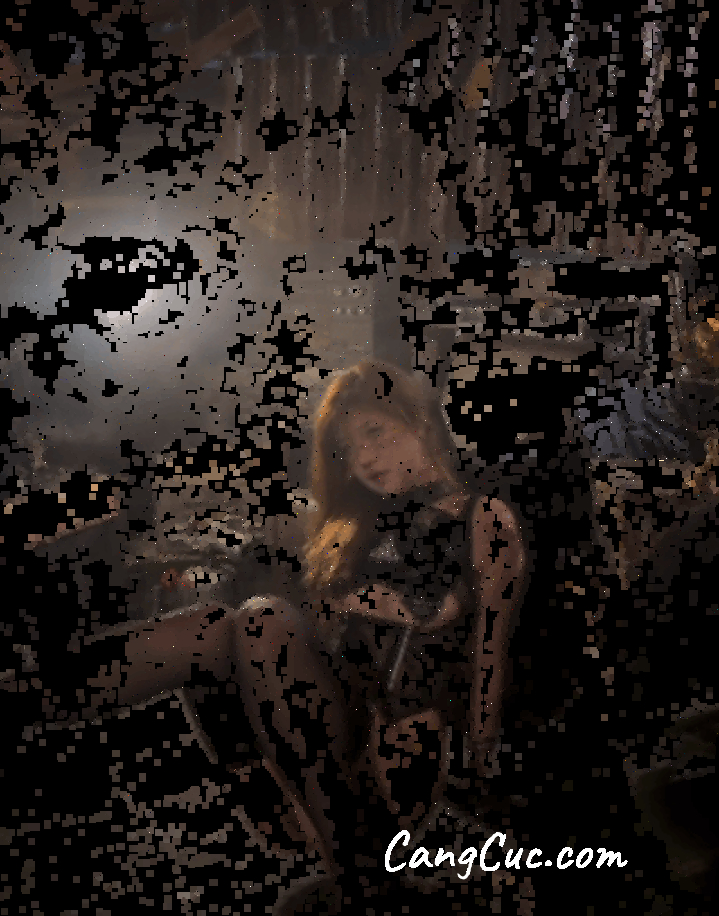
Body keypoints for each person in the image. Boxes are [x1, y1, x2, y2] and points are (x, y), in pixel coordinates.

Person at [2, 359, 526, 915]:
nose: (365, 458)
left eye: (374, 432)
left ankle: (366, 880)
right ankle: (27, 698)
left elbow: (489, 649)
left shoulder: (483, 518)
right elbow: (321, 627)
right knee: (215, 624)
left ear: (416, 419)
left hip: (390, 763)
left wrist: (479, 757)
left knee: (260, 618)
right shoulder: (356, 523)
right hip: (297, 758)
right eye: (348, 449)